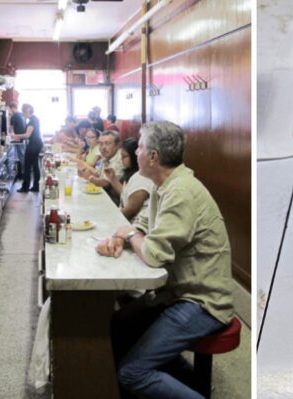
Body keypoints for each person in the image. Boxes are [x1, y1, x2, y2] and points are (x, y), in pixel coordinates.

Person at [96, 121, 234, 399]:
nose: (135, 153)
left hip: (202, 301)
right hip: (176, 292)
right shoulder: (164, 185)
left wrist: (130, 233)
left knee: (132, 372)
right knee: (118, 325)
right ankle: (189, 384)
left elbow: (154, 255)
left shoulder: (180, 192)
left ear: (153, 156)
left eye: (141, 147)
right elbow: (144, 224)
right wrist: (123, 237)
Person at [104, 138, 153, 224]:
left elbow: (130, 211)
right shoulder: (131, 173)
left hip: (133, 226)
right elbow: (126, 196)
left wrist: (108, 218)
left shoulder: (142, 178)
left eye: (124, 156)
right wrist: (113, 179)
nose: (121, 160)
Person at [77, 130, 124, 203]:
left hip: (114, 202)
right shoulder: (107, 156)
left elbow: (105, 183)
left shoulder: (119, 159)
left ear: (117, 145)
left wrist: (89, 177)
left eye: (107, 143)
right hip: (105, 196)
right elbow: (99, 175)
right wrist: (85, 172)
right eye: (101, 144)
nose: (103, 147)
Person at [12, 104, 44, 193]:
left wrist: (15, 136)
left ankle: (25, 187)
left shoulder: (31, 121)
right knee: (35, 165)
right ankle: (36, 186)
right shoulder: (35, 119)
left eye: (23, 111)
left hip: (33, 145)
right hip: (37, 143)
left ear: (27, 111)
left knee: (27, 166)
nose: (23, 114)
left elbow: (27, 135)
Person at [8, 103, 26, 177]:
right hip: (24, 138)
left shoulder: (13, 116)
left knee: (20, 157)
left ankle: (23, 174)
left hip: (18, 139)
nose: (10, 111)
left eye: (10, 109)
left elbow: (11, 129)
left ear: (12, 108)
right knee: (23, 156)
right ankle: (24, 172)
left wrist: (11, 135)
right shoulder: (22, 115)